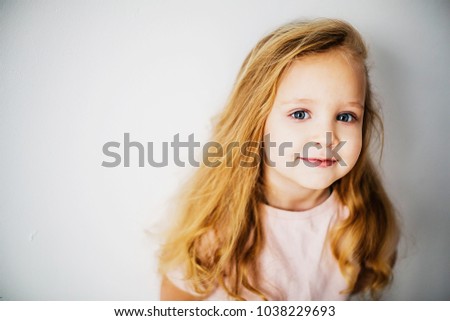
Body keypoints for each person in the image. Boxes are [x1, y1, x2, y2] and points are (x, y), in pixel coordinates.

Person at [158, 18, 399, 300]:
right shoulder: (214, 231)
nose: (325, 137)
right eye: (299, 114)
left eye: (345, 117)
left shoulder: (364, 220)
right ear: (256, 121)